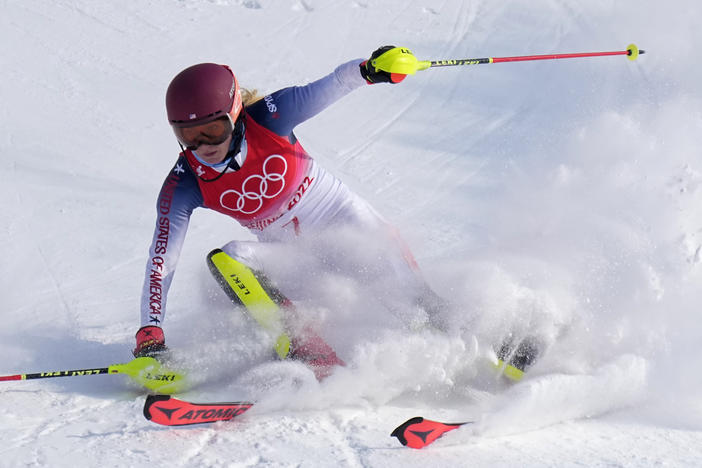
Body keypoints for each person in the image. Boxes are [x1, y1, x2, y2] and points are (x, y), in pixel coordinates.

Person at [132, 46, 449, 379]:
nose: (204, 146)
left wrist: (372, 69)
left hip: (346, 225)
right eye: (189, 136)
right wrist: (149, 333)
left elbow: (338, 82)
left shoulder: (270, 118)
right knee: (228, 259)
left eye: (213, 130)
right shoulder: (184, 183)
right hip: (298, 262)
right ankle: (308, 349)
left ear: (235, 113)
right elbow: (161, 260)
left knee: (413, 303)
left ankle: (475, 345)